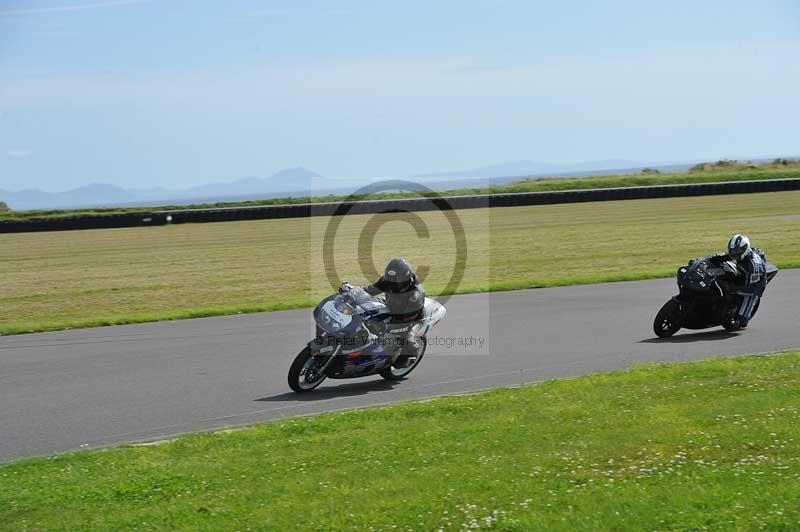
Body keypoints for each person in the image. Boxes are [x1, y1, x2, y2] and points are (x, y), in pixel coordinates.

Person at [365, 257, 425, 367]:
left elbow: (409, 316)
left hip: (412, 319)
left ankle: (410, 355)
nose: (392, 282)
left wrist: (389, 325)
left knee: (407, 338)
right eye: (390, 278)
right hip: (391, 307)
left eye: (395, 279)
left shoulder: (415, 294)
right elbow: (370, 291)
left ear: (404, 277)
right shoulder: (387, 280)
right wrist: (355, 293)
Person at [700, 234, 767, 328]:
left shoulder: (755, 266)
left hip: (753, 286)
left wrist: (735, 289)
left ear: (745, 249)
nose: (733, 253)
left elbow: (754, 289)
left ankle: (739, 316)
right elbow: (723, 257)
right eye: (731, 250)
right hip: (743, 274)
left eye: (736, 251)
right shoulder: (738, 254)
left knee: (741, 322)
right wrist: (706, 260)